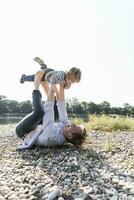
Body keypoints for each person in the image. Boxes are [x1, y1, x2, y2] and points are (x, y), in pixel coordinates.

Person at [16, 71, 87, 149]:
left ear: (70, 135)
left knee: (39, 113)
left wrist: (52, 85)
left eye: (74, 126)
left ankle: (37, 84)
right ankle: (44, 84)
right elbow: (62, 107)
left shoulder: (52, 136)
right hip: (38, 128)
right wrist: (61, 87)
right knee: (56, 109)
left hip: (24, 131)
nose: (73, 123)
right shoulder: (66, 129)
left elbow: (48, 107)